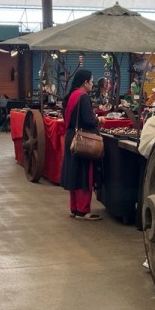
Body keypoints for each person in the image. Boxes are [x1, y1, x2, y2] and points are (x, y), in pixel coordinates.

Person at [60, 69, 101, 221]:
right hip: (83, 139)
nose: (92, 84)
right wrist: (99, 120)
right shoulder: (83, 97)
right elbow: (89, 120)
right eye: (91, 81)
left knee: (73, 172)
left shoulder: (71, 95)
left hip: (71, 136)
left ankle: (74, 208)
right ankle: (83, 210)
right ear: (85, 82)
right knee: (84, 173)